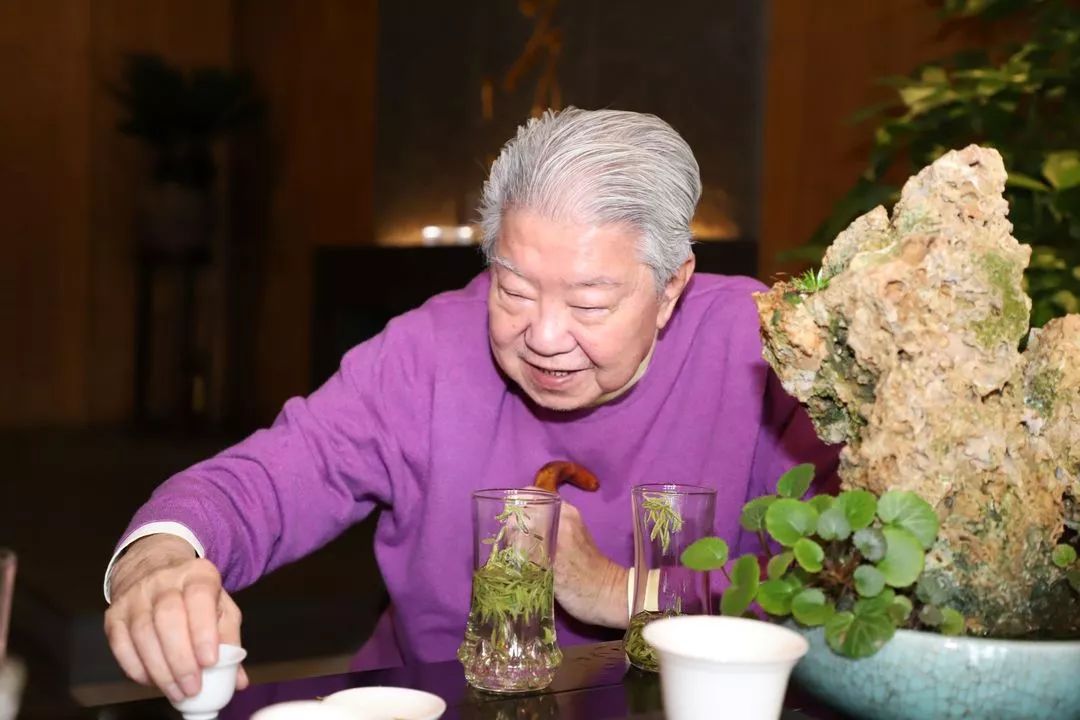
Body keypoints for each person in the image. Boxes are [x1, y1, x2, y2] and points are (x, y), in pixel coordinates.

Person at [103, 108, 839, 703]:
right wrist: (158, 562)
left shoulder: (763, 349)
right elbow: (269, 477)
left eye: (589, 302)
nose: (543, 336)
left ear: (672, 285)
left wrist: (619, 590)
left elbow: (833, 588)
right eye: (513, 290)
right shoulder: (427, 352)